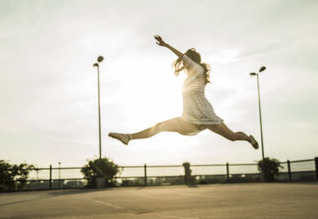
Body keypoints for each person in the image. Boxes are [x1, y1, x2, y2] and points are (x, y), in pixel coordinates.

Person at [109, 35, 259, 149]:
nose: (184, 66)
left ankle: (248, 139)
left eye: (187, 63)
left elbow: (183, 57)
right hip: (190, 118)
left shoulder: (198, 69)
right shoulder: (191, 78)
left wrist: (167, 45)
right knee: (160, 126)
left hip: (205, 115)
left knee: (232, 137)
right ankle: (128, 136)